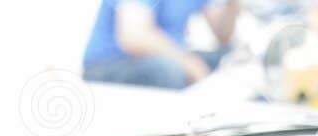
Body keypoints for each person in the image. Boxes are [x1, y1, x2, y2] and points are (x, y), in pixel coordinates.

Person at [83, 0, 241, 90]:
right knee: (169, 70)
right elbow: (134, 37)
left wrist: (232, 3)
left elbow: (223, 36)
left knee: (230, 59)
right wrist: (190, 64)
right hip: (111, 64)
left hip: (168, 59)